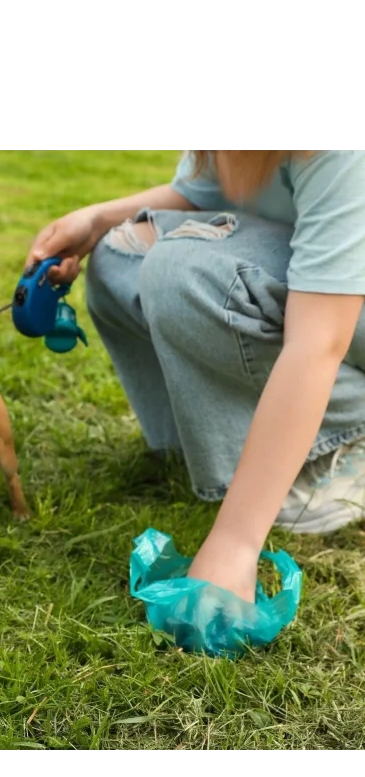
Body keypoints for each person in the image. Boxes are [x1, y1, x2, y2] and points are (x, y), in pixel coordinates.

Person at [26, 148, 365, 604]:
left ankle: (345, 440)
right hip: (324, 284)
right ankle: (221, 448)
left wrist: (236, 544)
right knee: (119, 253)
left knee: (181, 272)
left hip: (342, 311)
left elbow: (316, 344)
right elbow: (201, 192)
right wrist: (97, 219)